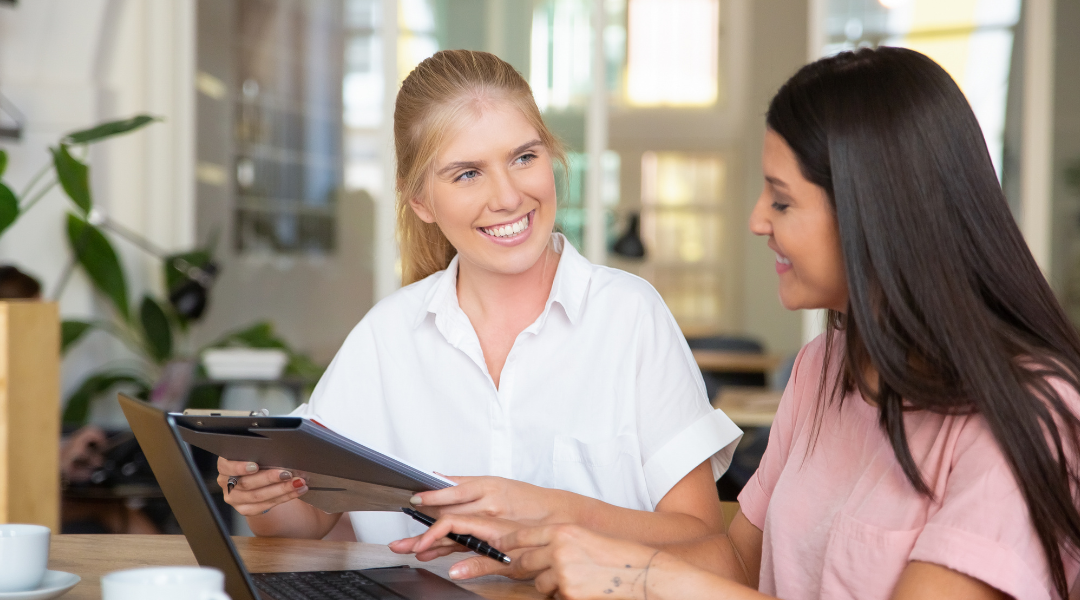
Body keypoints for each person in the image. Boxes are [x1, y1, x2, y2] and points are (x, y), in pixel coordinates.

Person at [404, 47, 1080, 600]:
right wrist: (558, 525)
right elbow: (733, 562)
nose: (758, 220)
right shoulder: (825, 372)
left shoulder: (1032, 415)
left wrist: (639, 578)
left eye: (782, 202)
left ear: (874, 215)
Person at [217, 49, 741, 549]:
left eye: (523, 157)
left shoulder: (630, 315)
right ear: (419, 199)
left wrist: (549, 511)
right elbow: (305, 523)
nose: (508, 197)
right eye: (468, 173)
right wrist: (261, 491)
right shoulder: (387, 336)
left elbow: (700, 537)